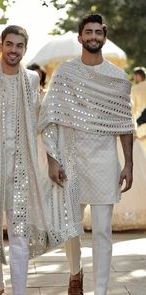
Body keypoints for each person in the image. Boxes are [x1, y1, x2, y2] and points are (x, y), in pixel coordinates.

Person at [0, 25, 83, 295]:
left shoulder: (32, 80)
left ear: (25, 48)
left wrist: (53, 159)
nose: (14, 50)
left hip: (22, 169)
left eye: (19, 46)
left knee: (20, 233)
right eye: (9, 44)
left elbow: (39, 123)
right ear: (2, 45)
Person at [38, 14, 134, 295]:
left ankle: (100, 290)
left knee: (103, 230)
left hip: (104, 160)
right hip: (70, 158)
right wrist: (53, 159)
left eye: (98, 32)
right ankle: (75, 272)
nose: (93, 37)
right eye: (88, 32)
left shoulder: (117, 78)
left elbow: (125, 124)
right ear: (80, 37)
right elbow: (50, 117)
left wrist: (129, 164)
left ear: (104, 36)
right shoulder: (65, 73)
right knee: (72, 227)